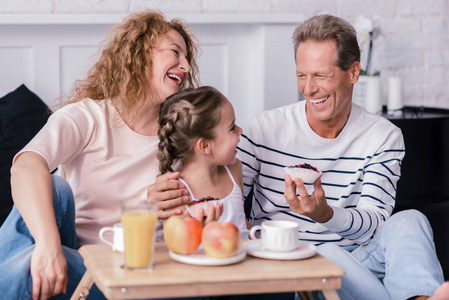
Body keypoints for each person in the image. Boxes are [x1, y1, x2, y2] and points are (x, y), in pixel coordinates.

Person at [0, 9, 219, 300]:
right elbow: (25, 166)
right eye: (175, 52)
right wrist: (49, 246)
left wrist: (158, 211)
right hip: (76, 257)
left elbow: (194, 222)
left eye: (187, 59)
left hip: (132, 268)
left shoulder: (181, 136)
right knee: (55, 187)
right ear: (140, 53)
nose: (186, 67)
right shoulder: (88, 117)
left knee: (28, 269)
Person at [236, 14, 445, 300]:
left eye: (321, 75)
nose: (309, 88)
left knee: (410, 220)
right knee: (327, 252)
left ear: (353, 72)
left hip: (359, 263)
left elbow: (372, 224)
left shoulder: (382, 136)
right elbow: (230, 203)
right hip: (289, 269)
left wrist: (326, 215)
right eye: (301, 75)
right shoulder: (263, 129)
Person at [157, 86, 248, 235]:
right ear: (205, 146)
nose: (240, 130)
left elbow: (243, 224)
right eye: (232, 128)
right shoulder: (176, 194)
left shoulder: (234, 169)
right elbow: (178, 245)